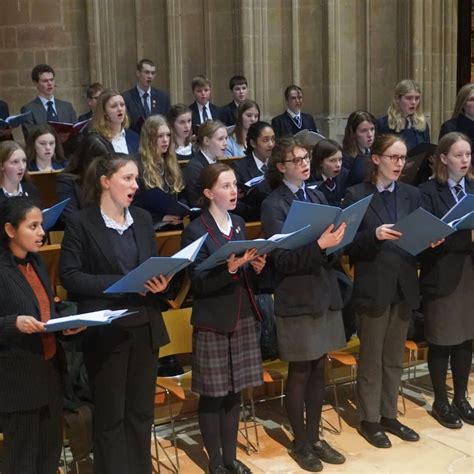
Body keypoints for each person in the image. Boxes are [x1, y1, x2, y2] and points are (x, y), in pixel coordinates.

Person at [59, 153, 175, 474]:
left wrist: (161, 283)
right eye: (127, 178)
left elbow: (150, 267)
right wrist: (123, 284)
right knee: (111, 417)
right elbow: (70, 276)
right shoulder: (82, 222)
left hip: (145, 326)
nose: (134, 185)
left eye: (136, 179)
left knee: (141, 414)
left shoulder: (140, 218)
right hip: (107, 332)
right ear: (105, 182)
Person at [261, 137, 347, 472]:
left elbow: (329, 248)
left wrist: (338, 240)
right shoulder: (274, 205)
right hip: (296, 297)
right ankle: (300, 442)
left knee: (319, 368)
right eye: (297, 160)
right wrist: (321, 245)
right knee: (300, 371)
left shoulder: (317, 195)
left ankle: (314, 437)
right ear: (282, 166)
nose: (305, 163)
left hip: (322, 292)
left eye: (307, 157)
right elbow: (280, 259)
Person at [181, 162, 266, 474]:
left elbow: (245, 275)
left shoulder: (240, 223)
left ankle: (231, 458)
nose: (234, 191)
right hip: (213, 321)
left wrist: (255, 268)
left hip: (242, 316)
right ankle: (215, 462)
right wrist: (230, 269)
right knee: (213, 396)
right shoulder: (195, 229)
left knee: (234, 394)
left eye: (235, 185)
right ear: (208, 193)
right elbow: (197, 282)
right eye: (226, 186)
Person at [344, 134, 422, 448]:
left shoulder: (411, 194)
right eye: (392, 157)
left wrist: (429, 241)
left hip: (403, 284)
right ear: (376, 159)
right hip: (373, 286)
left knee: (393, 357)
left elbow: (414, 237)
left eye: (402, 158)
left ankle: (389, 414)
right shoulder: (355, 195)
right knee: (371, 357)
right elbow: (348, 246)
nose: (398, 164)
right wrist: (374, 234)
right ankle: (370, 419)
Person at [0, 196, 81, 474]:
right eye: (32, 226)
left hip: (49, 373)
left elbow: (46, 312)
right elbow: (15, 320)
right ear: (11, 230)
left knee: (50, 455)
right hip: (17, 380)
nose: (41, 232)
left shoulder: (37, 262)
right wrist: (14, 323)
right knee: (21, 461)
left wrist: (65, 325)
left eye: (41, 225)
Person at [419, 132, 474, 429]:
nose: (464, 160)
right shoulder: (428, 191)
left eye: (468, 154)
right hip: (440, 272)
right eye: (458, 155)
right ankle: (441, 400)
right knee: (442, 340)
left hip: (469, 271)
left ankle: (461, 398)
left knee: (466, 337)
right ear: (443, 158)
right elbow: (428, 236)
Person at [134, 114, 185, 226]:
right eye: (160, 136)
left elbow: (181, 194)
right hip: (151, 225)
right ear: (149, 138)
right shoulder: (137, 165)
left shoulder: (171, 162)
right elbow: (135, 205)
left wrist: (182, 211)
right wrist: (159, 218)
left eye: (168, 135)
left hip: (174, 223)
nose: (166, 140)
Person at [74, 89, 139, 163]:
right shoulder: (96, 141)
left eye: (122, 105)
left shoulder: (134, 137)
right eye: (114, 106)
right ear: (104, 112)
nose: (120, 109)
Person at [232, 121, 275, 221]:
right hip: (252, 219)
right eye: (265, 140)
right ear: (253, 143)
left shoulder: (279, 164)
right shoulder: (239, 168)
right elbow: (237, 204)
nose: (271, 144)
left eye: (273, 139)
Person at [21, 64, 77, 139]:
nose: (50, 83)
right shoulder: (28, 110)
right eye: (45, 81)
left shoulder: (67, 107)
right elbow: (30, 137)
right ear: (35, 83)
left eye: (51, 80)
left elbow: (77, 133)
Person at [375, 79, 430, 152]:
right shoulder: (383, 124)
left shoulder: (422, 123)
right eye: (409, 98)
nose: (414, 102)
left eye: (417, 98)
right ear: (397, 99)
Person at [183, 120, 228, 207]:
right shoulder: (193, 167)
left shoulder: (220, 164)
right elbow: (196, 201)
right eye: (220, 139)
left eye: (226, 138)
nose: (225, 143)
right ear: (206, 141)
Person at [123, 59, 171, 133]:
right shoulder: (127, 97)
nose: (150, 76)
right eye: (147, 72)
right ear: (138, 73)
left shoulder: (162, 97)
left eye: (153, 73)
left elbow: (168, 122)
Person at [342, 111, 376, 187]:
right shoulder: (345, 158)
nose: (370, 135)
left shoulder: (374, 152)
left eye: (372, 129)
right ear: (353, 133)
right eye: (364, 131)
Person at [311, 139, 348, 206]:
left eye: (340, 159)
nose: (338, 165)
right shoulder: (311, 180)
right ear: (320, 162)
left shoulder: (344, 174)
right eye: (332, 160)